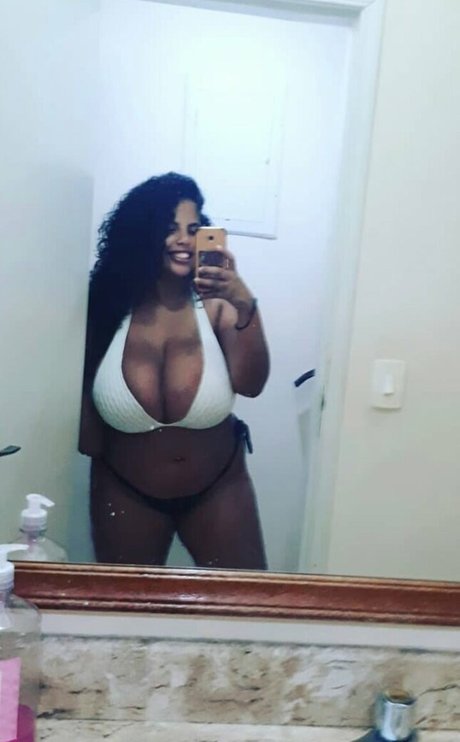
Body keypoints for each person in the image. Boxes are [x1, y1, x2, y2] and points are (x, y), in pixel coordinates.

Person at [79, 172, 270, 569]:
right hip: (124, 488)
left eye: (193, 229)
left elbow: (252, 385)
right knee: (128, 603)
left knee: (242, 599)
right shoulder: (105, 308)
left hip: (219, 486)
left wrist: (245, 303)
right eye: (170, 229)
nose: (184, 240)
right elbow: (80, 401)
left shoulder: (219, 306)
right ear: (142, 234)